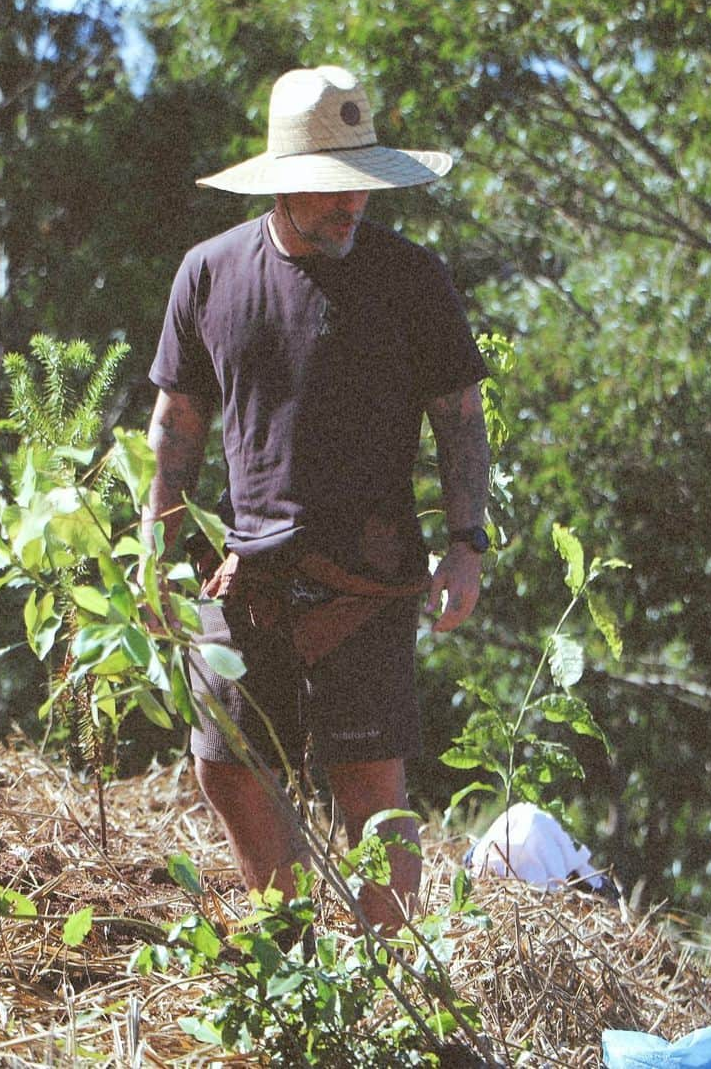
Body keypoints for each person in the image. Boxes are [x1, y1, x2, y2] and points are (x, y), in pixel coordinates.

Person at [142, 65, 490, 934]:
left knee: (371, 787)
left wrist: (466, 543)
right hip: (247, 570)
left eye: (361, 189)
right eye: (333, 190)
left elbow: (461, 417)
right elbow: (178, 416)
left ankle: (388, 980)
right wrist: (157, 535)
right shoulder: (211, 273)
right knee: (224, 763)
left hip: (367, 573)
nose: (352, 207)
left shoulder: (412, 280)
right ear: (283, 183)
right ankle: (291, 946)